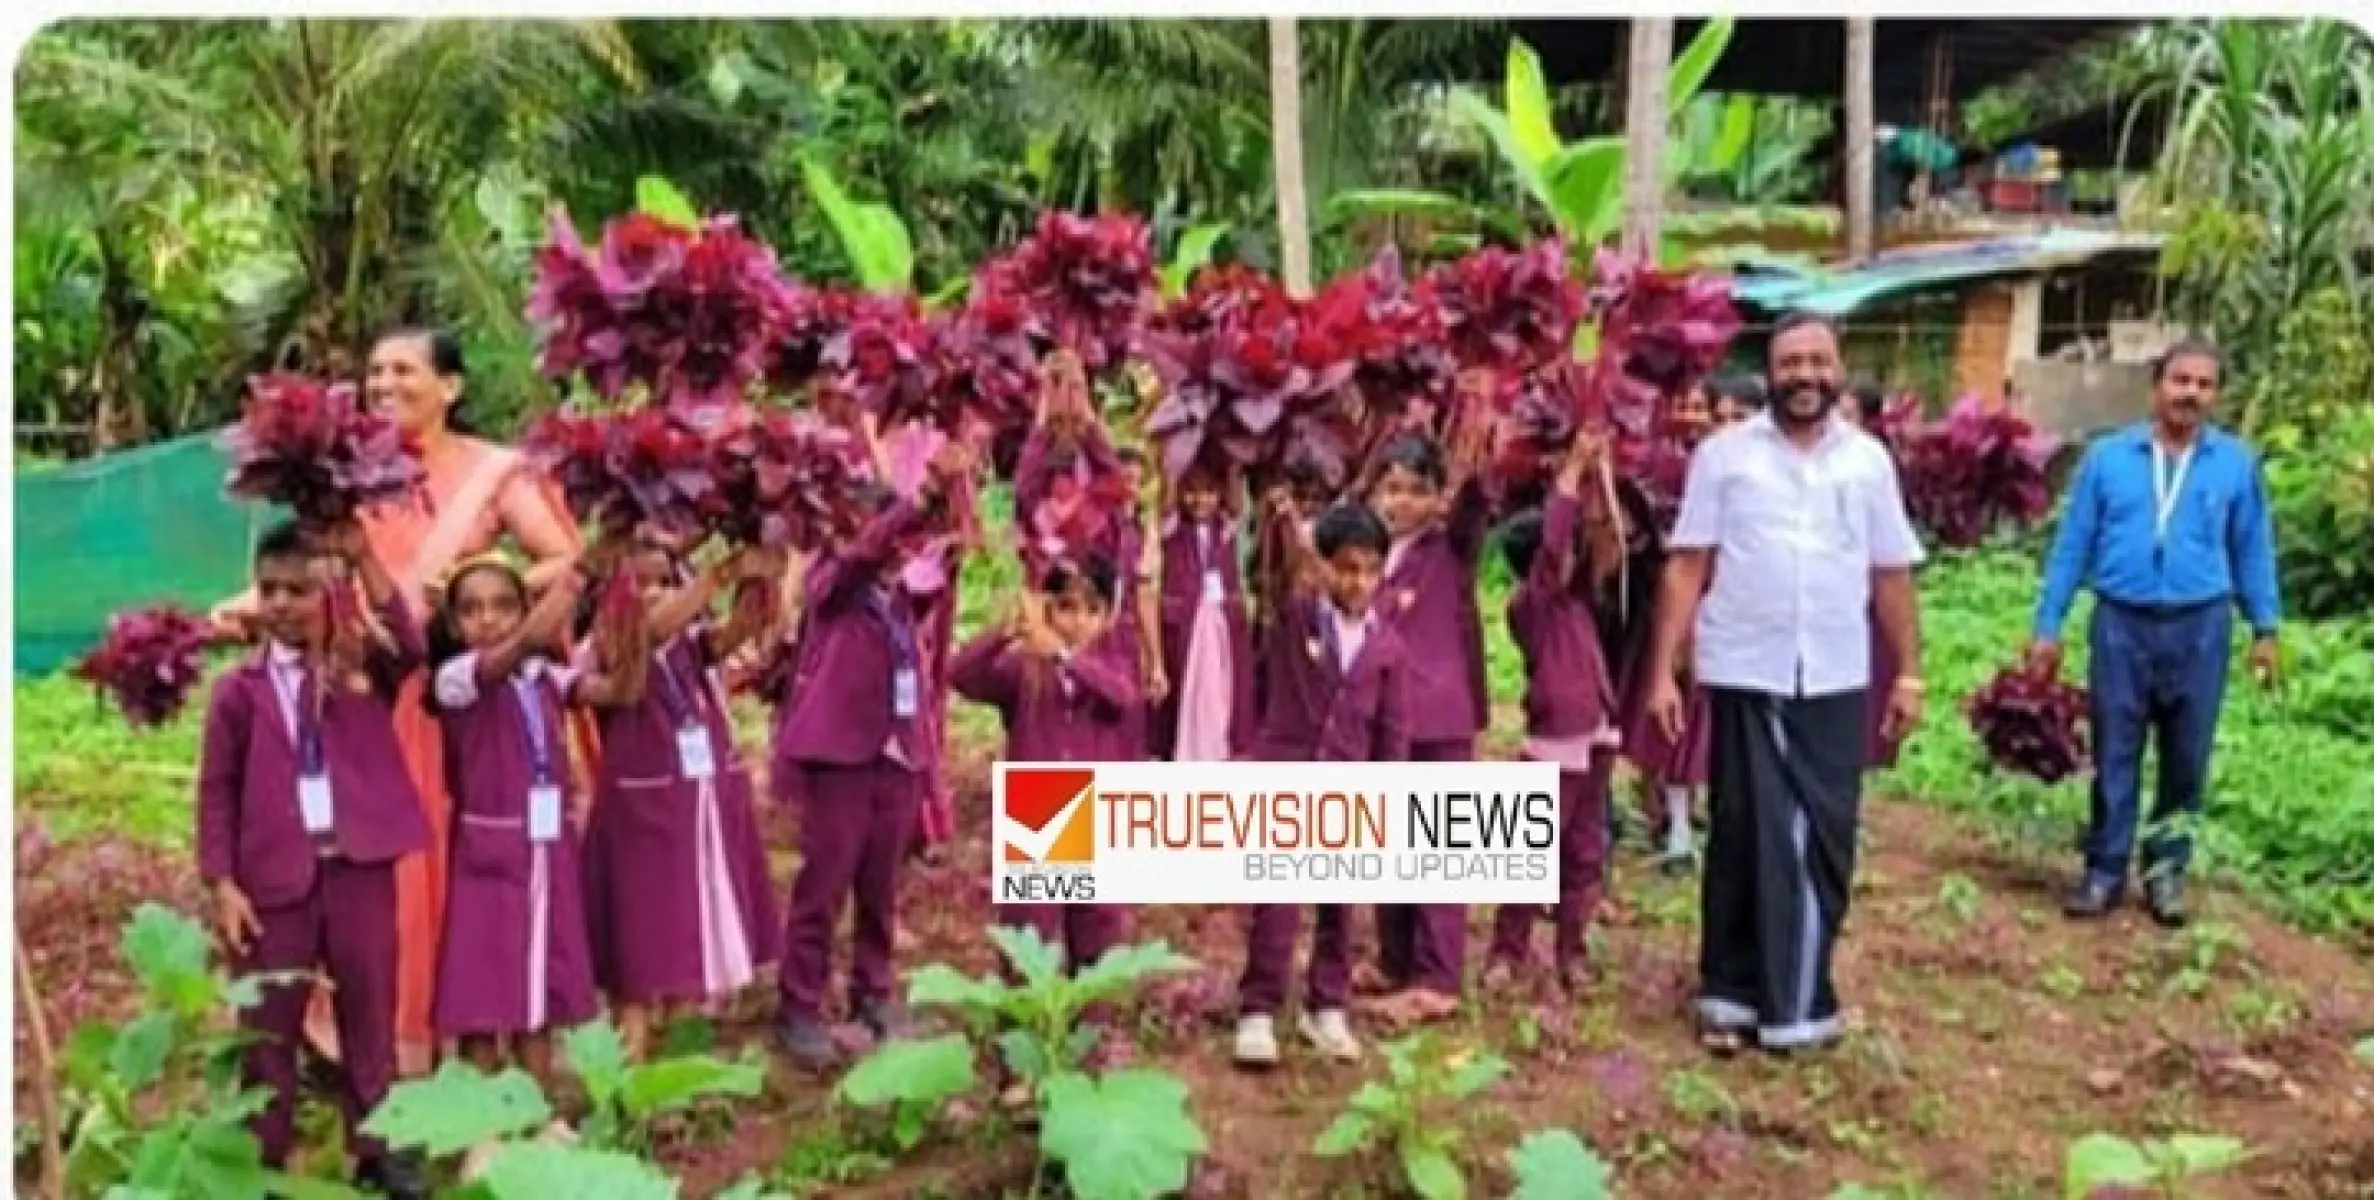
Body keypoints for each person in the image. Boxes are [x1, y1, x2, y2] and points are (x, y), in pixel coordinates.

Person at [211, 327, 585, 1077]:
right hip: (358, 699)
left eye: (403, 370)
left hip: (453, 701)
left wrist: (483, 599)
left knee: (454, 863)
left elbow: (564, 558)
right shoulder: (353, 476)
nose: (383, 384)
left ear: (450, 387)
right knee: (365, 873)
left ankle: (469, 1043)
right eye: (374, 371)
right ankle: (370, 1048)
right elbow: (314, 572)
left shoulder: (492, 472)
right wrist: (243, 606)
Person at [1644, 311, 1925, 1056]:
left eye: (1818, 362)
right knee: (1744, 830)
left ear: (1837, 371)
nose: (1805, 375)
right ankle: (1739, 996)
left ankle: (1792, 992)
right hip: (1746, 667)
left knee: (1823, 836)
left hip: (1835, 673)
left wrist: (1912, 674)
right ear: (1770, 372)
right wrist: (1662, 674)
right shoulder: (1725, 455)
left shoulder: (1868, 462)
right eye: (1790, 362)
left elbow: (1891, 572)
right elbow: (1687, 565)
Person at [196, 519, 429, 1197]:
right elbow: (217, 791)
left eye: (298, 590)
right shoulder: (237, 691)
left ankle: (379, 1149)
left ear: (327, 591)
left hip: (358, 868)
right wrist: (221, 883)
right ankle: (263, 1156)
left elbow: (412, 647)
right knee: (267, 1027)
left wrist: (363, 556)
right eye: (269, 589)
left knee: (370, 1010)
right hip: (274, 883)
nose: (281, 604)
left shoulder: (361, 666)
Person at [2027, 341, 2280, 928]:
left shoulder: (2235, 464)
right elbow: (2072, 545)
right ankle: (2104, 871)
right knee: (2115, 747)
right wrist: (2048, 625)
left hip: (2201, 626)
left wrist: (2264, 626)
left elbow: (2252, 548)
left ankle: (2166, 872)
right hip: (2121, 622)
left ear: (2216, 395)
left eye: (2203, 384)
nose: (2190, 393)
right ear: (2156, 386)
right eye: (2179, 380)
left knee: (2186, 755)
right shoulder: (2108, 459)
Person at [771, 445, 968, 1071]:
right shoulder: (832, 584)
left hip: (896, 754)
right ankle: (799, 1007)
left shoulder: (901, 597)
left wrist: (948, 511)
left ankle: (873, 995)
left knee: (881, 886)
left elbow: (940, 571)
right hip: (842, 757)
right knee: (823, 885)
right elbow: (859, 556)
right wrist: (913, 506)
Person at [949, 554, 1141, 1110]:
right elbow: (962, 675)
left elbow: (1124, 700)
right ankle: (1021, 1063)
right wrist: (1003, 632)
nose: (1075, 620)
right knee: (1029, 942)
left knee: (1096, 936)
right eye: (1063, 607)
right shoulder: (1022, 672)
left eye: (1089, 609)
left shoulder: (1113, 663)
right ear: (1047, 608)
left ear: (1106, 617)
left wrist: (1061, 653)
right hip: (1039, 811)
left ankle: (1090, 1048)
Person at [584, 537, 783, 1060]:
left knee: (684, 939)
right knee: (640, 945)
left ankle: (678, 1081)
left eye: (662, 582)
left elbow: (742, 628)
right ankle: (626, 1082)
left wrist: (762, 571)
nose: (651, 594)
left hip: (697, 812)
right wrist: (721, 572)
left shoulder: (690, 646)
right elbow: (646, 633)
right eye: (639, 583)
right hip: (640, 820)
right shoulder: (607, 642)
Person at [1233, 499, 1408, 1069]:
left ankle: (1326, 1004)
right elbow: (1273, 569)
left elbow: (1391, 731)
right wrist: (1286, 523)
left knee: (1339, 903)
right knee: (1278, 902)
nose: (1357, 581)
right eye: (1346, 568)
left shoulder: (1388, 647)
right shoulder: (1295, 618)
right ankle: (1259, 1008)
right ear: (1325, 566)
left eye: (1369, 570)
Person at [425, 556, 606, 1085]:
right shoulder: (456, 679)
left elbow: (614, 691)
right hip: (490, 853)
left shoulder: (540, 675)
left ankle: (537, 1110)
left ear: (524, 609)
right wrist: (583, 568)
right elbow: (523, 643)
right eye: (472, 610)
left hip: (547, 850)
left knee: (538, 987)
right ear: (454, 626)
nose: (488, 619)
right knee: (483, 991)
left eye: (503, 606)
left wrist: (625, 601)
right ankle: (480, 1125)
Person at [1358, 414, 1492, 1028]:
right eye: (1390, 488)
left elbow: (1474, 504)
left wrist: (1474, 439)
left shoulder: (1450, 549)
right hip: (1388, 721)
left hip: (1438, 720)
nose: (1400, 502)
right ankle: (1395, 958)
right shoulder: (1370, 555)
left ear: (1438, 498)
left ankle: (1437, 979)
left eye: (1416, 489)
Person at [1481, 432, 1625, 993]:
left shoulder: (1579, 596)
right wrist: (1569, 473)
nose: (1569, 559)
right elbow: (1556, 543)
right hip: (1555, 741)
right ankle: (1505, 955)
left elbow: (1606, 539)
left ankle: (1573, 954)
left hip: (1596, 736)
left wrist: (1598, 474)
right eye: (1558, 555)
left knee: (1585, 851)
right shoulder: (1532, 604)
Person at [1628, 375, 1764, 875]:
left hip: (1752, 629)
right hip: (1693, 619)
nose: (1727, 429)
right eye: (1719, 417)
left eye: (1740, 418)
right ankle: (1680, 831)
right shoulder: (1690, 474)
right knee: (1682, 727)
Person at [1152, 464, 1255, 762]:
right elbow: (1166, 500)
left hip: (1220, 627)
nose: (1200, 501)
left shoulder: (1226, 530)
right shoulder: (1172, 532)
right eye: (1192, 492)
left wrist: (1231, 459)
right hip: (1187, 626)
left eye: (1209, 492)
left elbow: (1236, 489)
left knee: (1221, 695)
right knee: (1187, 695)